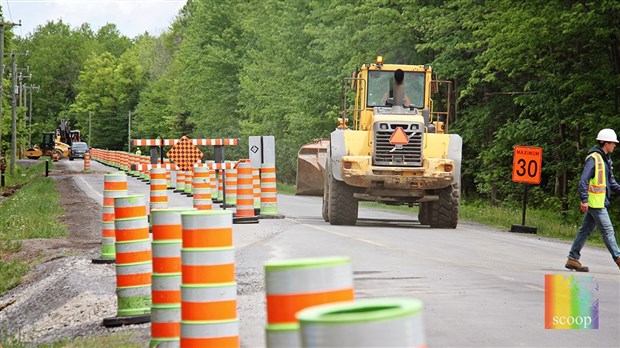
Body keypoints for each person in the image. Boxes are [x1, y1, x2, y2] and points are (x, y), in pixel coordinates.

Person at [566, 128, 620, 272]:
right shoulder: (594, 158)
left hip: (598, 202)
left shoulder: (606, 159)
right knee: (608, 231)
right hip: (595, 203)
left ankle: (572, 258)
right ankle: (618, 257)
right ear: (605, 143)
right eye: (613, 143)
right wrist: (584, 200)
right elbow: (583, 181)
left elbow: (611, 183)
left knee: (585, 231)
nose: (615, 145)